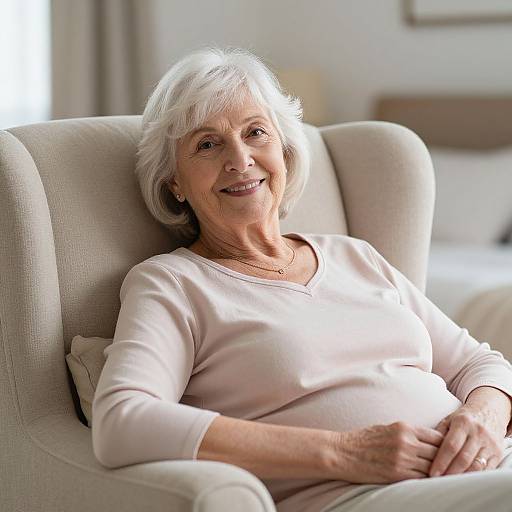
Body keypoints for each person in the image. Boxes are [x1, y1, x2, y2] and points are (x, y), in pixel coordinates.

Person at [91, 47, 512, 512]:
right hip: (369, 495)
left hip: (487, 468)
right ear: (174, 181)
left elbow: (483, 364)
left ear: (284, 153)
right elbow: (122, 421)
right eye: (207, 144)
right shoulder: (172, 283)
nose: (240, 159)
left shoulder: (354, 255)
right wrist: (344, 452)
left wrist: (483, 420)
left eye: (256, 133)